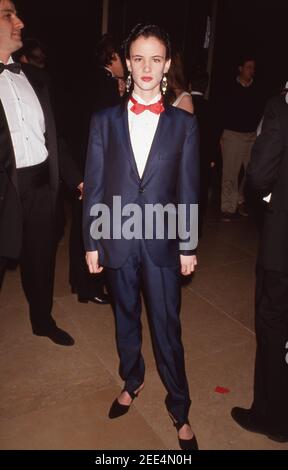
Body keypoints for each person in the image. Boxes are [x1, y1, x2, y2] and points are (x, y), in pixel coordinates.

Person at [83, 23, 200, 450]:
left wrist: (188, 244)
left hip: (163, 243)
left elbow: (189, 189)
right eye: (138, 58)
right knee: (124, 320)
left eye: (155, 58)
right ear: (127, 63)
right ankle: (132, 379)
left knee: (167, 327)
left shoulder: (183, 124)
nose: (146, 67)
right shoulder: (104, 120)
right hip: (115, 237)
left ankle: (180, 409)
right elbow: (94, 186)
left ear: (167, 64)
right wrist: (92, 242)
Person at [0, 0, 82, 346]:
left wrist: (78, 178)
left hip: (41, 187)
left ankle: (42, 319)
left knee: (41, 260)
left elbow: (54, 137)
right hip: (6, 190)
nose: (19, 21)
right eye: (8, 15)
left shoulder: (36, 77)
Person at [231, 92, 288, 443]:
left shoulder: (281, 107)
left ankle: (273, 417)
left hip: (283, 246)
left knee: (273, 326)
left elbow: (260, 174)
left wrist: (271, 199)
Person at [69, 34, 124, 304]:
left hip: (82, 162)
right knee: (94, 228)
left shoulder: (94, 81)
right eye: (122, 57)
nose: (126, 62)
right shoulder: (106, 86)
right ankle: (89, 288)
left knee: (83, 226)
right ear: (112, 58)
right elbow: (107, 134)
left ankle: (78, 284)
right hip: (95, 166)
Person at [220, 56, 263, 221]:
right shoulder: (230, 87)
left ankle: (240, 199)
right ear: (240, 68)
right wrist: (220, 136)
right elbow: (222, 111)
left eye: (253, 68)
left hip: (251, 135)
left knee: (252, 172)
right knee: (230, 173)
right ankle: (227, 208)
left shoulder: (257, 89)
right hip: (232, 134)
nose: (251, 71)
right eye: (248, 67)